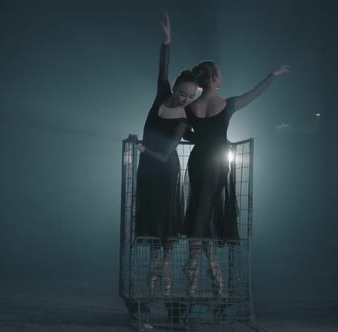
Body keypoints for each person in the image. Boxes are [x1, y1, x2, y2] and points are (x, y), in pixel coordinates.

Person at [183, 60, 291, 296]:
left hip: (198, 160)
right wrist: (271, 74)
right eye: (220, 73)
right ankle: (202, 268)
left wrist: (198, 138)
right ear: (213, 79)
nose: (223, 76)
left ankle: (202, 272)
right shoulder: (226, 104)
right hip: (217, 162)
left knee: (200, 208)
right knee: (206, 210)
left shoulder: (190, 107)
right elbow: (254, 94)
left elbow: (186, 131)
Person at [135, 11, 199, 298]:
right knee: (149, 216)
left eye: (190, 97)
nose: (185, 99)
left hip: (164, 167)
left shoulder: (183, 119)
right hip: (146, 168)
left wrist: (143, 148)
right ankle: (153, 268)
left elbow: (165, 155)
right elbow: (163, 67)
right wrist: (167, 40)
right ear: (175, 87)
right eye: (183, 93)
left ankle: (165, 269)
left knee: (165, 217)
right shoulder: (162, 93)